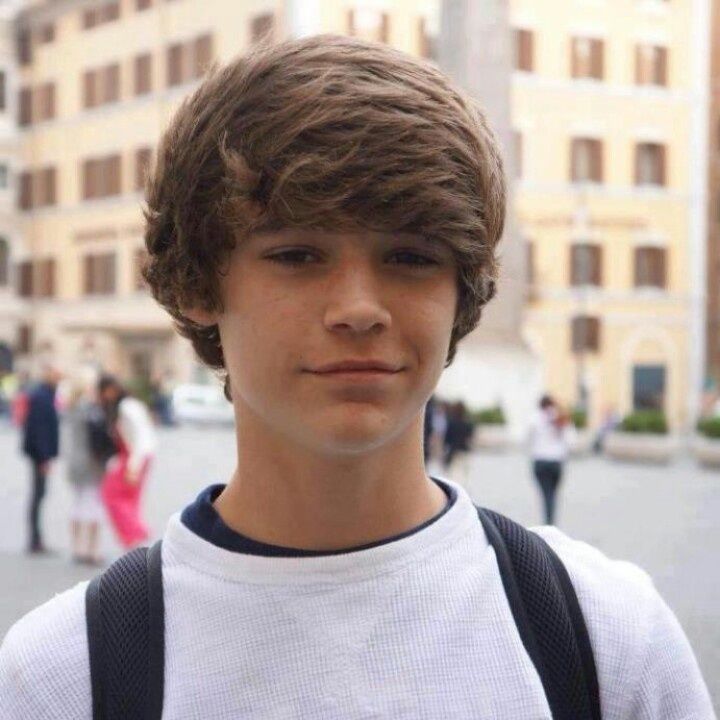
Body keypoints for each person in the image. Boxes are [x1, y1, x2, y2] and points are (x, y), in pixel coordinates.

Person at [0, 35, 714, 718]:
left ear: (462, 293)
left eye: (410, 257)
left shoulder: (608, 637)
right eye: (298, 255)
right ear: (198, 282)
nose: (358, 309)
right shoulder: (65, 676)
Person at [97, 374, 158, 549]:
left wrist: (133, 467)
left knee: (113, 495)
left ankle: (135, 533)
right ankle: (133, 538)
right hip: (134, 455)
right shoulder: (128, 406)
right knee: (129, 499)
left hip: (135, 456)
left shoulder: (127, 408)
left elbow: (139, 438)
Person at [62, 368, 109, 566]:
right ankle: (90, 549)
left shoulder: (71, 405)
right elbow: (99, 437)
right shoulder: (90, 408)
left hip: (74, 459)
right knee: (92, 504)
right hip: (90, 461)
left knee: (78, 503)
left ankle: (77, 547)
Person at [20, 363, 62, 554]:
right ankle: (35, 540)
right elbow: (40, 430)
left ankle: (36, 538)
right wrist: (44, 457)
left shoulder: (44, 395)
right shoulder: (42, 397)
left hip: (39, 454)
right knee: (38, 496)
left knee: (39, 495)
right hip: (39, 455)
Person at [529, 395, 576, 526]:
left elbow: (525, 438)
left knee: (546, 493)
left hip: (540, 461)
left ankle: (548, 521)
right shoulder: (562, 418)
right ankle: (550, 521)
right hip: (556, 462)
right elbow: (571, 442)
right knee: (553, 494)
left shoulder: (535, 417)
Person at [443, 400, 474, 485]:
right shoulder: (468, 424)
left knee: (453, 477)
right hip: (465, 452)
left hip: (454, 452)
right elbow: (470, 439)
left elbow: (447, 439)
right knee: (464, 476)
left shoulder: (451, 423)